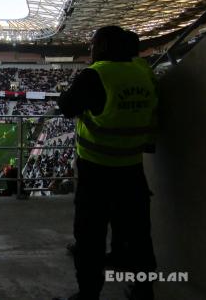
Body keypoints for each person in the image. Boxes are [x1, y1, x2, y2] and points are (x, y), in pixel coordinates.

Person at [54, 26, 158, 300]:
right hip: (133, 166)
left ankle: (88, 294)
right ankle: (144, 290)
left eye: (93, 45)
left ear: (101, 47)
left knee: (90, 236)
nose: (90, 50)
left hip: (97, 168)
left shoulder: (97, 74)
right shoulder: (142, 71)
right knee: (138, 233)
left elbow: (66, 107)